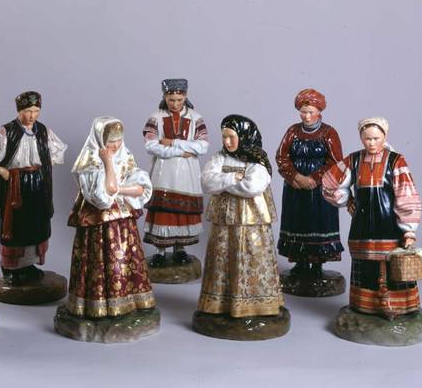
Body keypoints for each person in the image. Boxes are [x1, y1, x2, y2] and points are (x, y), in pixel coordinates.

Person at [323, 117, 422, 319]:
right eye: (367, 139)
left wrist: (409, 230)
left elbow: (406, 194)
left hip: (389, 226)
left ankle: (396, 306)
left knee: (393, 266)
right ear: (361, 138)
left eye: (376, 138)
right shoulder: (354, 160)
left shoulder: (395, 160)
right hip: (362, 226)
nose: (372, 143)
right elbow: (330, 182)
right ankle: (365, 307)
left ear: (385, 136)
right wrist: (347, 200)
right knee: (365, 265)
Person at [67, 117, 156, 318]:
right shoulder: (90, 162)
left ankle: (128, 301)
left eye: (119, 140)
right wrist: (107, 163)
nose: (115, 146)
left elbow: (141, 188)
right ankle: (98, 306)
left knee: (125, 260)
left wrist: (118, 190)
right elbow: (103, 197)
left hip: (123, 222)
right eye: (110, 142)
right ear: (100, 140)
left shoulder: (125, 154)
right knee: (99, 262)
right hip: (99, 223)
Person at [197, 114, 283, 317]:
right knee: (222, 257)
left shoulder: (257, 161)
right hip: (224, 220)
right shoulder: (220, 157)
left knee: (251, 256)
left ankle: (255, 303)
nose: (227, 142)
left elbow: (252, 186)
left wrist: (222, 183)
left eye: (231, 137)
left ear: (244, 137)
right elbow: (206, 182)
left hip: (251, 220)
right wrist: (234, 177)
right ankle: (221, 303)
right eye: (224, 137)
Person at [0, 91, 67, 285]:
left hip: (37, 184)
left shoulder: (43, 131)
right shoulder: (6, 132)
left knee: (36, 224)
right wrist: (2, 171)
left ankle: (28, 264)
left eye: (36, 110)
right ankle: (11, 267)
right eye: (28, 111)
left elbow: (54, 156)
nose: (32, 115)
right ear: (19, 111)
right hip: (15, 186)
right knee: (15, 227)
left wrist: (41, 172)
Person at [275, 88, 344, 277]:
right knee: (297, 221)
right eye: (303, 112)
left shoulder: (329, 132)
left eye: (310, 112)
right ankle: (301, 262)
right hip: (295, 188)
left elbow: (336, 161)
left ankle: (317, 264)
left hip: (320, 189)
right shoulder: (293, 131)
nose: (306, 116)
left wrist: (315, 178)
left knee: (318, 222)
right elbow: (281, 156)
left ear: (319, 112)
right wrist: (295, 177)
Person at [142, 79, 209, 267]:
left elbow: (203, 146)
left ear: (185, 96)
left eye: (179, 100)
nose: (175, 104)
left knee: (184, 209)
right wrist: (181, 151)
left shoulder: (196, 118)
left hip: (187, 173)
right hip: (164, 172)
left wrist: (172, 142)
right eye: (171, 100)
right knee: (163, 210)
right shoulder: (156, 117)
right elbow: (150, 145)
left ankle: (180, 248)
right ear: (165, 97)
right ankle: (160, 251)